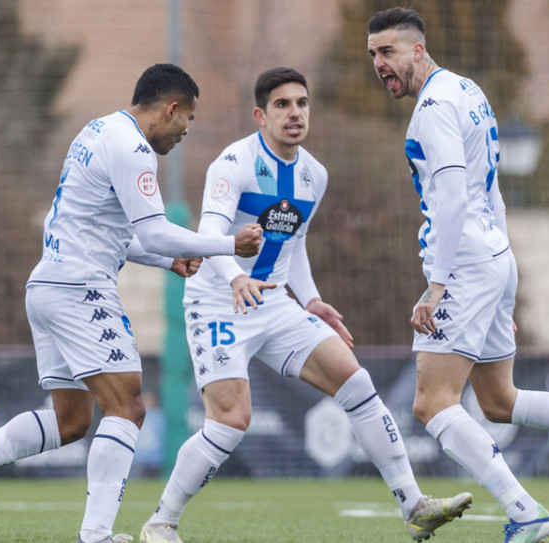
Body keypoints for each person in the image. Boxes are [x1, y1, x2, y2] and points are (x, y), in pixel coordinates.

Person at [0, 63, 263, 543]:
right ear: (170, 109)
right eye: (188, 118)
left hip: (47, 286)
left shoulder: (98, 129)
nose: (187, 129)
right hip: (80, 289)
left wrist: (168, 264)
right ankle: (97, 536)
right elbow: (155, 230)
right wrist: (230, 245)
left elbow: (113, 233)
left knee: (72, 420)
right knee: (128, 406)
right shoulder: (134, 149)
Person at [366, 8, 549, 543]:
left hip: (464, 264)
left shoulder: (432, 109)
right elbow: (494, 190)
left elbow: (456, 194)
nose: (379, 64)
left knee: (431, 402)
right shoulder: (469, 90)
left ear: (418, 49)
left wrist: (438, 285)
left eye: (387, 52)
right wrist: (504, 278)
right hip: (490, 258)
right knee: (498, 401)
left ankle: (526, 512)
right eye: (372, 55)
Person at [138, 67, 473, 543]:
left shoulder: (314, 175)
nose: (295, 113)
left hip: (274, 304)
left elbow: (294, 243)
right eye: (282, 105)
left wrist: (311, 299)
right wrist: (235, 278)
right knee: (231, 421)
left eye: (302, 103)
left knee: (356, 382)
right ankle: (162, 521)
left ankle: (413, 505)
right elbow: (210, 236)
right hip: (218, 300)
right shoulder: (233, 163)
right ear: (260, 115)